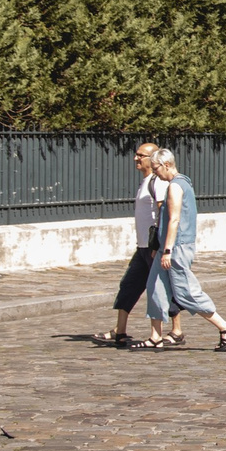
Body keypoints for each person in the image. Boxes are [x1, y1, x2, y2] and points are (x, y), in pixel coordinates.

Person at [143, 149, 226, 351]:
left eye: (156, 169)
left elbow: (175, 219)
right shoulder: (181, 183)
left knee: (186, 292)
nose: (155, 174)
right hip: (167, 246)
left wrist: (168, 251)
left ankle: (225, 327)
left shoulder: (176, 187)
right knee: (155, 287)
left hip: (176, 247)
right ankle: (155, 336)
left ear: (167, 165)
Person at [94, 141, 164, 348]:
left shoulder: (157, 182)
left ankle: (175, 331)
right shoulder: (145, 182)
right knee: (129, 286)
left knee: (163, 289)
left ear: (152, 159)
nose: (136, 158)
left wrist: (158, 246)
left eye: (140, 155)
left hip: (152, 247)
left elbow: (163, 213)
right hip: (141, 246)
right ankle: (120, 331)